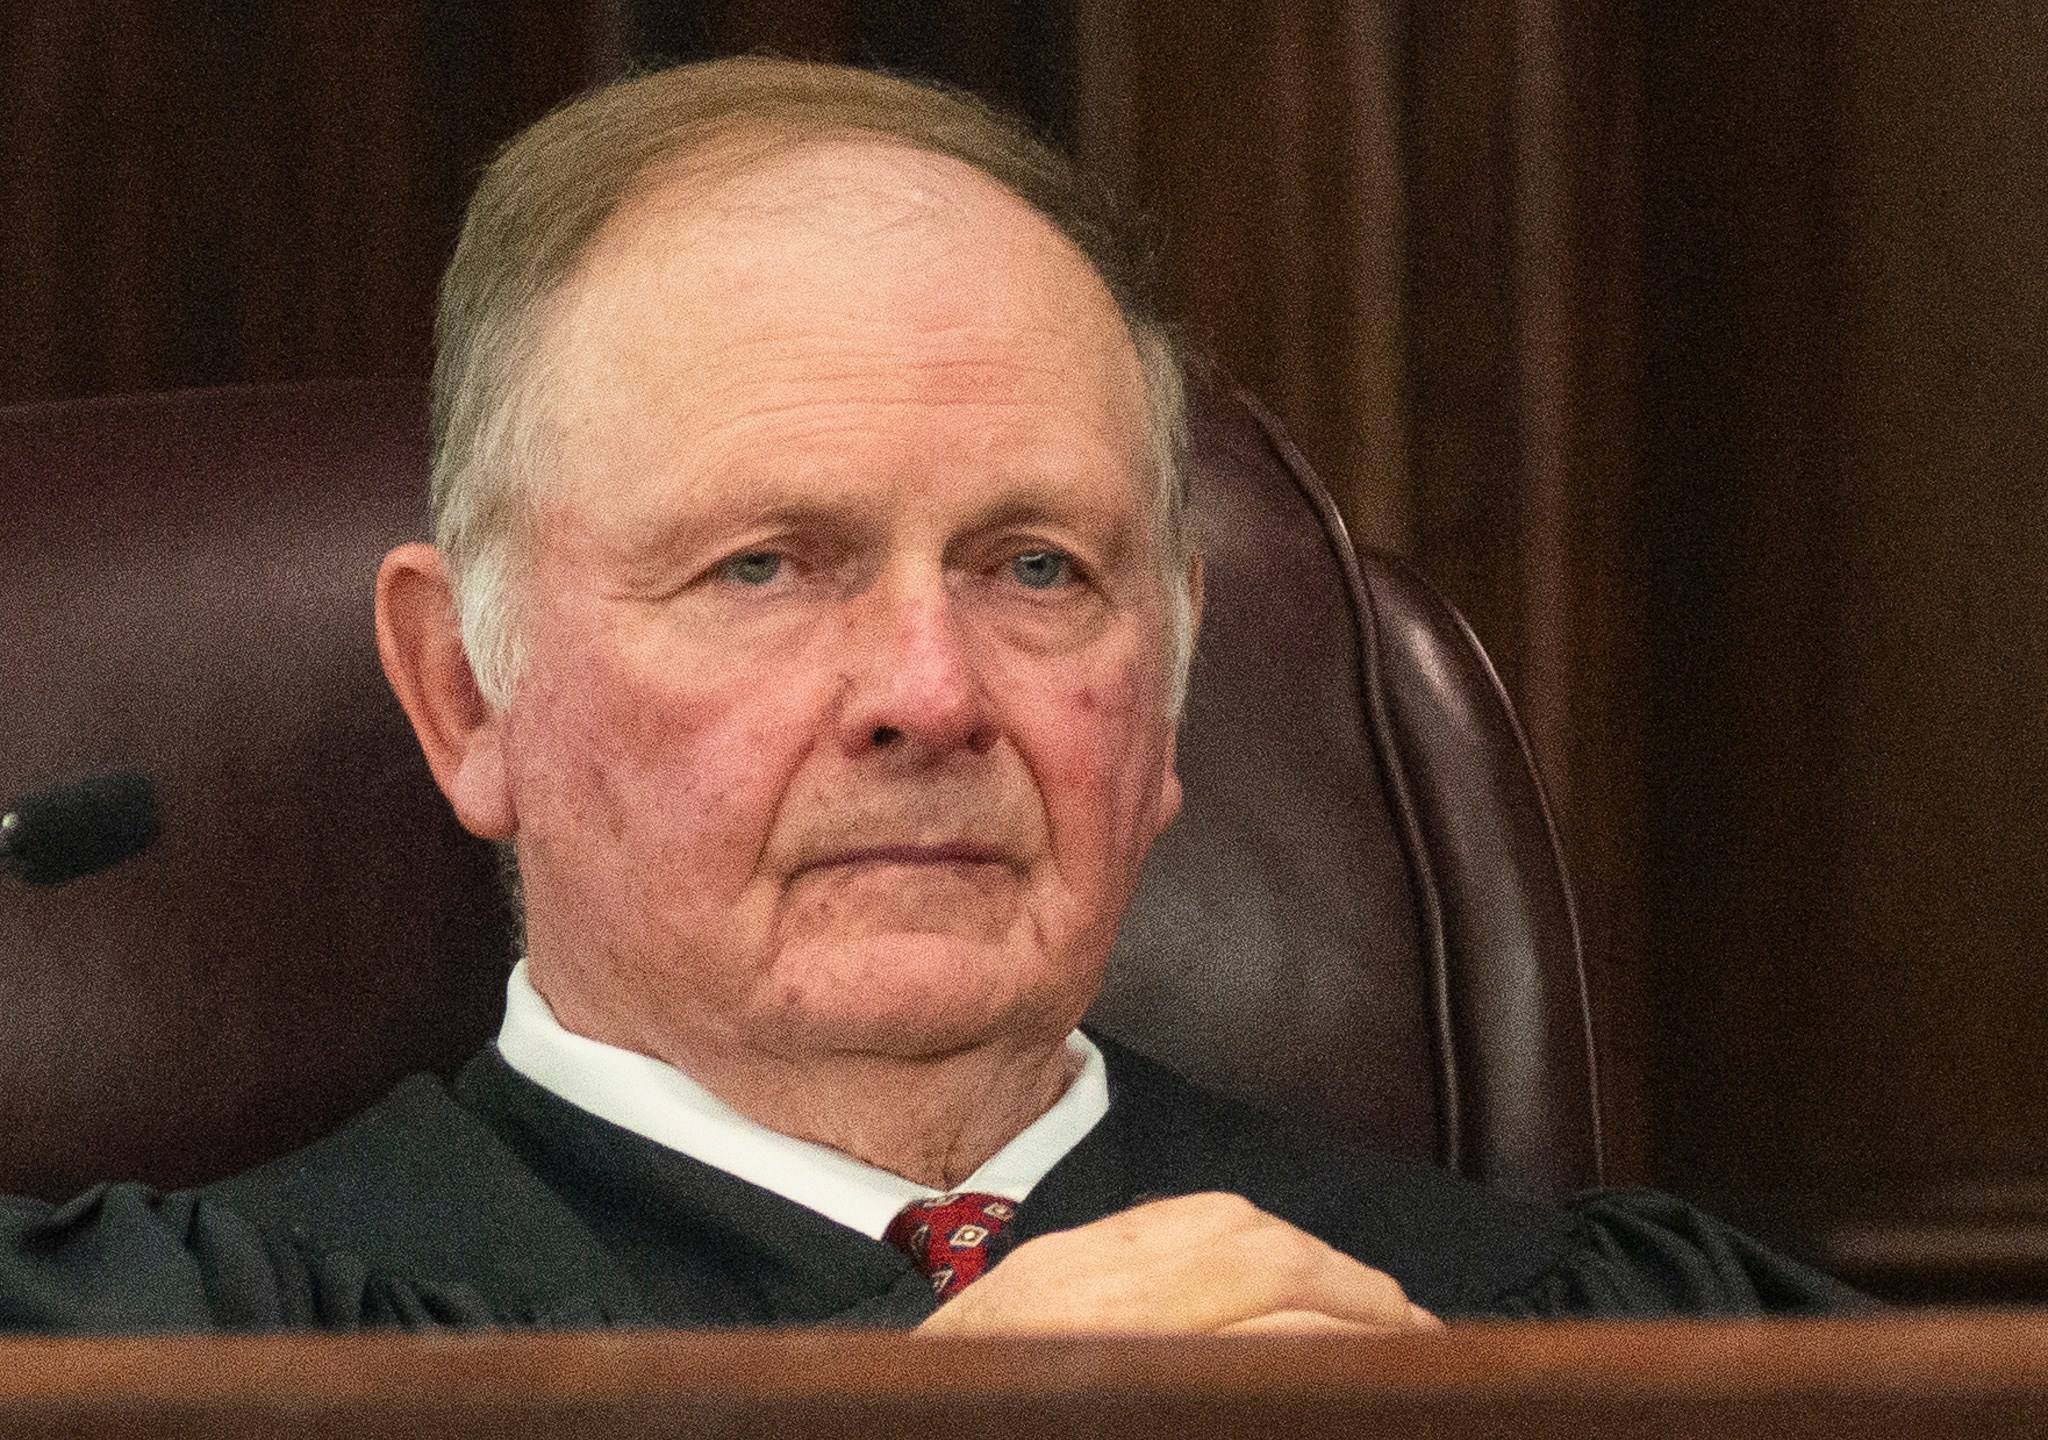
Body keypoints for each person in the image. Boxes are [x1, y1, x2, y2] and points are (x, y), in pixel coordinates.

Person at [0, 57, 1860, 1334]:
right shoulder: (173, 1355)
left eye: (1039, 568)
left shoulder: (1580, 1339)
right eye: (764, 565)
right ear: (464, 692)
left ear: (1173, 692)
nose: (927, 692)